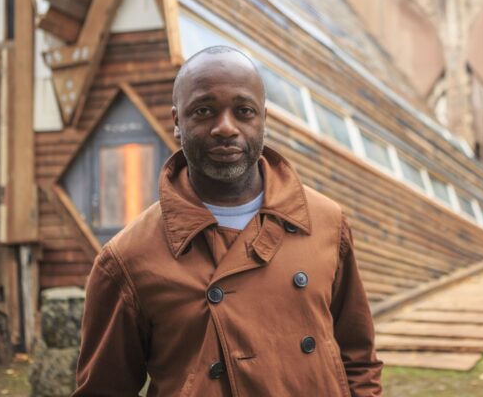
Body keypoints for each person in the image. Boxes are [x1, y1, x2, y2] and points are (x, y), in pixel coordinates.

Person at [74, 46, 383, 396]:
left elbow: (359, 360)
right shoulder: (127, 259)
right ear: (177, 122)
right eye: (204, 111)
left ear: (262, 119)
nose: (225, 128)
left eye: (243, 111)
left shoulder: (327, 223)